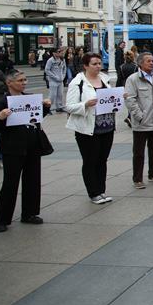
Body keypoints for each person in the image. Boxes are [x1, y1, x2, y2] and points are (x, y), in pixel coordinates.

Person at [0, 70, 51, 232]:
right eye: (20, 80)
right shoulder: (3, 101)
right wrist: (1, 117)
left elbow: (36, 117)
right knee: (10, 183)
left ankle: (30, 213)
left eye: (25, 80)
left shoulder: (29, 98)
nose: (24, 83)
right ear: (9, 83)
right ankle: (2, 219)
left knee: (32, 179)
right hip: (13, 147)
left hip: (32, 144)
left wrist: (45, 107)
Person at [66, 52, 115, 203]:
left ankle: (101, 190)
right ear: (86, 66)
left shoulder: (105, 80)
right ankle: (93, 192)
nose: (98, 66)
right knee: (90, 160)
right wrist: (85, 104)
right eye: (94, 64)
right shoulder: (77, 83)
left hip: (106, 126)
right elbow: (69, 106)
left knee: (102, 160)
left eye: (99, 63)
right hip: (88, 128)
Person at [125, 53, 153, 188]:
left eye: (152, 61)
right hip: (141, 122)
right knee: (138, 152)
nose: (151, 63)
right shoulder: (133, 79)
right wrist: (139, 116)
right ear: (140, 64)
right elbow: (130, 99)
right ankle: (137, 179)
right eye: (148, 61)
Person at [44, 47, 67, 112]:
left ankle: (59, 107)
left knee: (60, 94)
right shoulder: (50, 60)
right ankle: (48, 108)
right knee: (52, 95)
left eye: (60, 51)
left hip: (60, 80)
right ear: (54, 53)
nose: (60, 53)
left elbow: (64, 68)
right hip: (53, 80)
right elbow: (47, 70)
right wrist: (54, 77)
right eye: (58, 52)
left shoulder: (62, 59)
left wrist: (63, 76)